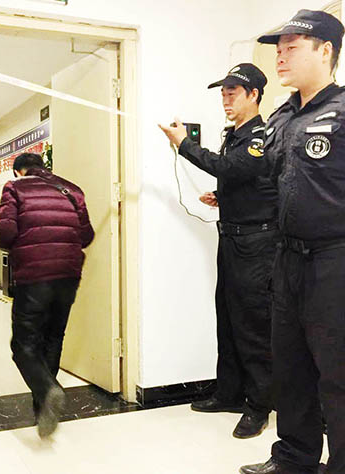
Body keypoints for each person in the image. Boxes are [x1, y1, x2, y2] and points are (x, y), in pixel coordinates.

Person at [240, 9, 345, 474]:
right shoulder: (282, 116)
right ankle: (294, 459)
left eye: (291, 48)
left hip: (335, 260)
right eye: (278, 49)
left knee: (338, 374)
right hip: (287, 259)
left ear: (326, 51)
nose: (280, 58)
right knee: (291, 367)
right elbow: (275, 178)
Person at [159, 63, 278, 439]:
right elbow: (244, 179)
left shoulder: (260, 135)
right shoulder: (235, 134)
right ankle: (229, 393)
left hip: (256, 245)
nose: (226, 100)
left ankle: (258, 407)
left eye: (233, 93)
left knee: (253, 326)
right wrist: (224, 195)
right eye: (223, 93)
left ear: (253, 95)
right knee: (228, 319)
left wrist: (184, 144)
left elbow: (230, 166)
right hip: (232, 240)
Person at [0, 153, 94, 438]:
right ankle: (43, 411)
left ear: (18, 171)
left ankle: (49, 390)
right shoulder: (72, 190)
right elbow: (86, 236)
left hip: (34, 275)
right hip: (68, 274)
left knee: (23, 345)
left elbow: (4, 233)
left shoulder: (15, 188)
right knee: (53, 337)